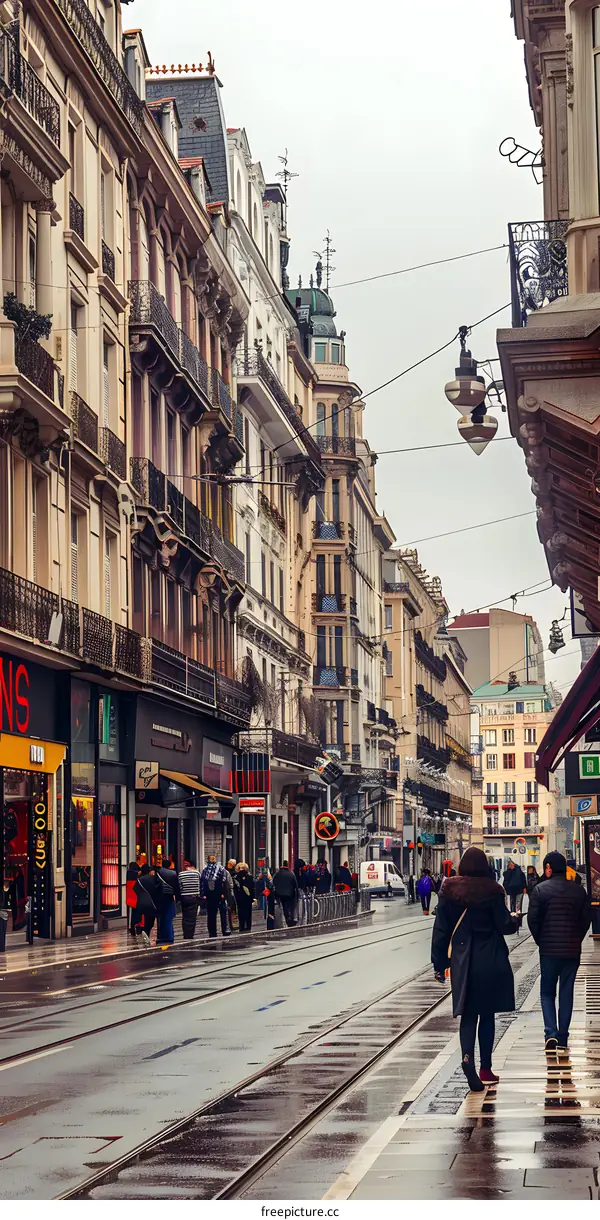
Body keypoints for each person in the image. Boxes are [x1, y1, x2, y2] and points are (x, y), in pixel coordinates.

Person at [431, 846, 520, 1092]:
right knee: (487, 1014)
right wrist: (515, 919)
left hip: (462, 960)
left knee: (468, 1014)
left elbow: (440, 931)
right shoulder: (492, 890)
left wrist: (439, 964)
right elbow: (504, 926)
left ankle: (467, 1058)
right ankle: (486, 1068)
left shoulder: (449, 890)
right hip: (490, 958)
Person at [527, 851, 591, 1054]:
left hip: (548, 951)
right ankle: (563, 1036)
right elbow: (585, 920)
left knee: (547, 992)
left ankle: (550, 1033)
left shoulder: (539, 891)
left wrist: (541, 941)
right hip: (572, 950)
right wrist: (576, 939)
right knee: (566, 991)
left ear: (548, 868)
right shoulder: (579, 892)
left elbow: (532, 921)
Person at [201, 856, 231, 938]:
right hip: (220, 894)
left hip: (209, 895)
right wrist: (226, 893)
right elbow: (226, 881)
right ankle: (225, 929)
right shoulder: (221, 869)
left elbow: (202, 881)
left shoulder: (205, 870)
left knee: (211, 913)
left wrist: (203, 894)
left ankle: (212, 932)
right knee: (223, 912)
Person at [155, 858, 181, 944]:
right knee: (169, 917)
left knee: (161, 917)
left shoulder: (158, 872)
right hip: (169, 896)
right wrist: (178, 898)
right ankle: (169, 936)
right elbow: (177, 887)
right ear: (169, 865)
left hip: (159, 896)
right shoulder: (173, 874)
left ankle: (161, 936)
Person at [178, 860, 202, 940]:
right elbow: (200, 884)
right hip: (194, 897)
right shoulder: (197, 873)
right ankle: (190, 934)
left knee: (185, 916)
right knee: (192, 916)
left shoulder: (181, 874)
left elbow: (180, 887)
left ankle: (185, 933)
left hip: (184, 897)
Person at [272, 860, 299, 926]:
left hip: (280, 894)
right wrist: (297, 894)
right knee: (291, 907)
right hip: (290, 894)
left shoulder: (277, 874)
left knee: (284, 906)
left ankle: (287, 918)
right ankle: (291, 918)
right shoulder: (291, 874)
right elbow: (295, 884)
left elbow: (273, 883)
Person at [136, 864, 158, 945]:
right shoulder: (152, 879)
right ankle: (147, 933)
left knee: (147, 918)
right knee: (152, 920)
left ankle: (145, 932)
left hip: (143, 902)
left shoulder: (140, 879)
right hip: (153, 902)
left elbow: (135, 889)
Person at [233, 863, 256, 932]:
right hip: (248, 898)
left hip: (239, 898)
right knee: (248, 913)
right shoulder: (250, 876)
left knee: (240, 913)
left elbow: (235, 889)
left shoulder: (236, 877)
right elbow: (253, 888)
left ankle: (241, 926)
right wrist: (253, 897)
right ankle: (248, 926)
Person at [126, 860, 141, 934]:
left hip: (128, 896)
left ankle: (131, 927)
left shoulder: (128, 874)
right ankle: (137, 926)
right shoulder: (137, 876)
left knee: (131, 912)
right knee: (137, 912)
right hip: (136, 896)